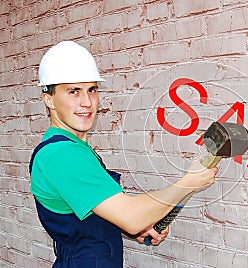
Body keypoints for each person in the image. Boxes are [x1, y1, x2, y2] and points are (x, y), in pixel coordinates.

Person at [29, 41, 218, 267]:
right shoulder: (61, 155)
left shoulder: (73, 149)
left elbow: (102, 212)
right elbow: (131, 217)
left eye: (92, 90)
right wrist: (188, 182)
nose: (87, 102)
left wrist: (141, 225)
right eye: (73, 91)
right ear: (48, 99)